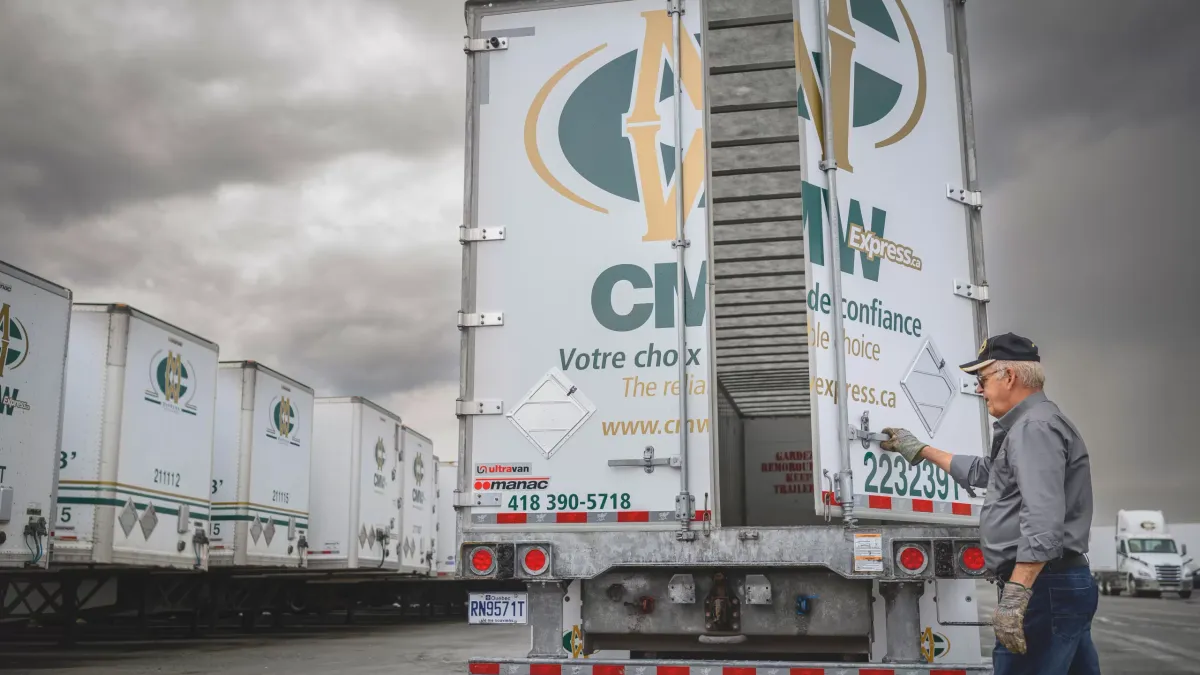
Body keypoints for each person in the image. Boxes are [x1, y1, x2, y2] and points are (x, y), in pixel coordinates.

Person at [879, 333, 1099, 675]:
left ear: (1009, 377)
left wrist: (1016, 595)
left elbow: (1042, 519)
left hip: (1043, 587)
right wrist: (920, 449)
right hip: (1056, 585)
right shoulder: (1033, 425)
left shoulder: (1034, 428)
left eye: (982, 380)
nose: (979, 390)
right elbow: (987, 471)